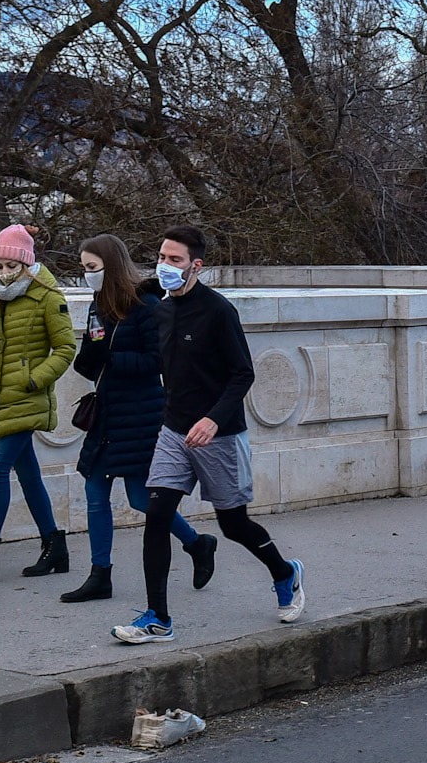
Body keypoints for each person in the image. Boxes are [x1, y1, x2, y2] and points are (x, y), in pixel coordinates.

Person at [113, 225, 303, 644]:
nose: (164, 266)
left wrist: (214, 419)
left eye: (175, 260)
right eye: (161, 257)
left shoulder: (218, 311)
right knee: (156, 515)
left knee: (233, 525)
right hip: (173, 430)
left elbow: (243, 373)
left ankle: (285, 572)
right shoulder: (160, 309)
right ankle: (158, 618)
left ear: (196, 266)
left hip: (219, 434)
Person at [59, 235, 216, 604]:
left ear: (111, 266)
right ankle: (100, 575)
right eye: (84, 269)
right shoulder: (99, 306)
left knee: (142, 498)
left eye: (92, 268)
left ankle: (197, 543)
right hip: (108, 414)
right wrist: (88, 358)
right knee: (94, 490)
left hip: (140, 414)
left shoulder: (146, 305)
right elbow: (93, 352)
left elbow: (157, 361)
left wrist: (113, 359)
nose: (88, 275)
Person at [0, 224, 76, 580]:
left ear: (27, 264)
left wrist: (33, 379)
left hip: (27, 400)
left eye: (12, 266)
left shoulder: (47, 296)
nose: (5, 273)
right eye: (0, 266)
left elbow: (66, 348)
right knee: (28, 474)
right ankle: (55, 546)